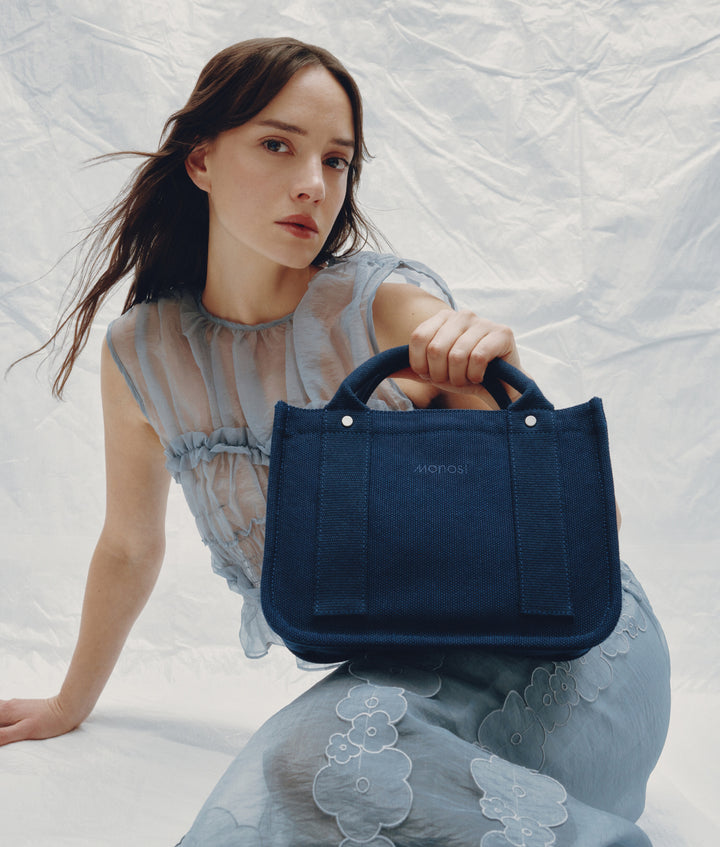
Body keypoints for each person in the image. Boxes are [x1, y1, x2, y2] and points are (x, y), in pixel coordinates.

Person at [0, 37, 670, 846]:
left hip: (566, 659)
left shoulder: (386, 309)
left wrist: (501, 375)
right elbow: (129, 546)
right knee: (314, 764)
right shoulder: (145, 352)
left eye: (338, 161)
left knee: (316, 759)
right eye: (277, 145)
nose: (313, 184)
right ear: (202, 161)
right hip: (398, 678)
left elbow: (595, 535)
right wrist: (71, 702)